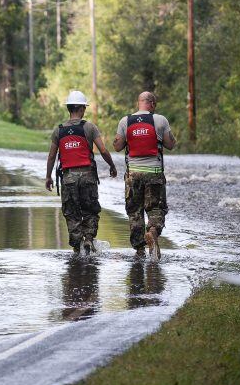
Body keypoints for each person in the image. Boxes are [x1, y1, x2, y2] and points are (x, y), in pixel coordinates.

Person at [45, 90, 118, 255]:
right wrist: (112, 166)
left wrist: (48, 176)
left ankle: (77, 248)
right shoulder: (89, 127)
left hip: (68, 178)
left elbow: (51, 156)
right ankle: (88, 239)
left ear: (69, 108)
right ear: (82, 108)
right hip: (87, 176)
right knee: (90, 211)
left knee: (71, 213)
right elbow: (104, 151)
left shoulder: (59, 130)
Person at [112, 91, 176, 260]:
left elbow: (117, 146)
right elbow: (170, 145)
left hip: (133, 174)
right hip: (154, 173)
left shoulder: (125, 121)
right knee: (156, 208)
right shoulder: (160, 120)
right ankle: (153, 231)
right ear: (152, 104)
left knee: (134, 211)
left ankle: (139, 251)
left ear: (138, 103)